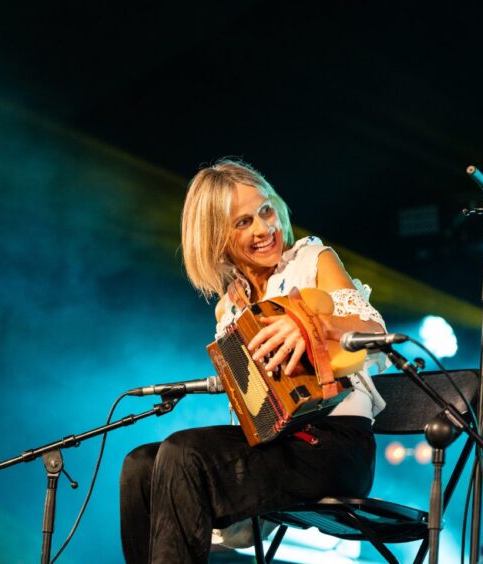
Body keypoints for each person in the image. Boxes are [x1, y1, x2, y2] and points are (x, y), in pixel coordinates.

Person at [119, 159, 388, 563]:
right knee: (139, 465)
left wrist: (307, 324)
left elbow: (376, 336)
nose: (264, 229)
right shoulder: (227, 310)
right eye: (243, 222)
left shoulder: (312, 259)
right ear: (216, 239)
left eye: (266, 210)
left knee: (184, 451)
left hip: (334, 448)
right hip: (273, 450)